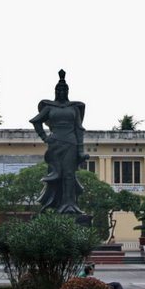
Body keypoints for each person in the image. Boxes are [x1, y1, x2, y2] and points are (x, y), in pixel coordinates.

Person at [30, 70, 87, 214]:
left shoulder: (74, 107)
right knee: (56, 173)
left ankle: (69, 204)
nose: (61, 92)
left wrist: (81, 150)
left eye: (64, 89)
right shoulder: (50, 107)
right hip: (55, 143)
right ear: (55, 91)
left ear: (68, 91)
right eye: (59, 89)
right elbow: (36, 121)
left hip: (71, 143)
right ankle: (55, 203)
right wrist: (44, 137)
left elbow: (79, 128)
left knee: (69, 173)